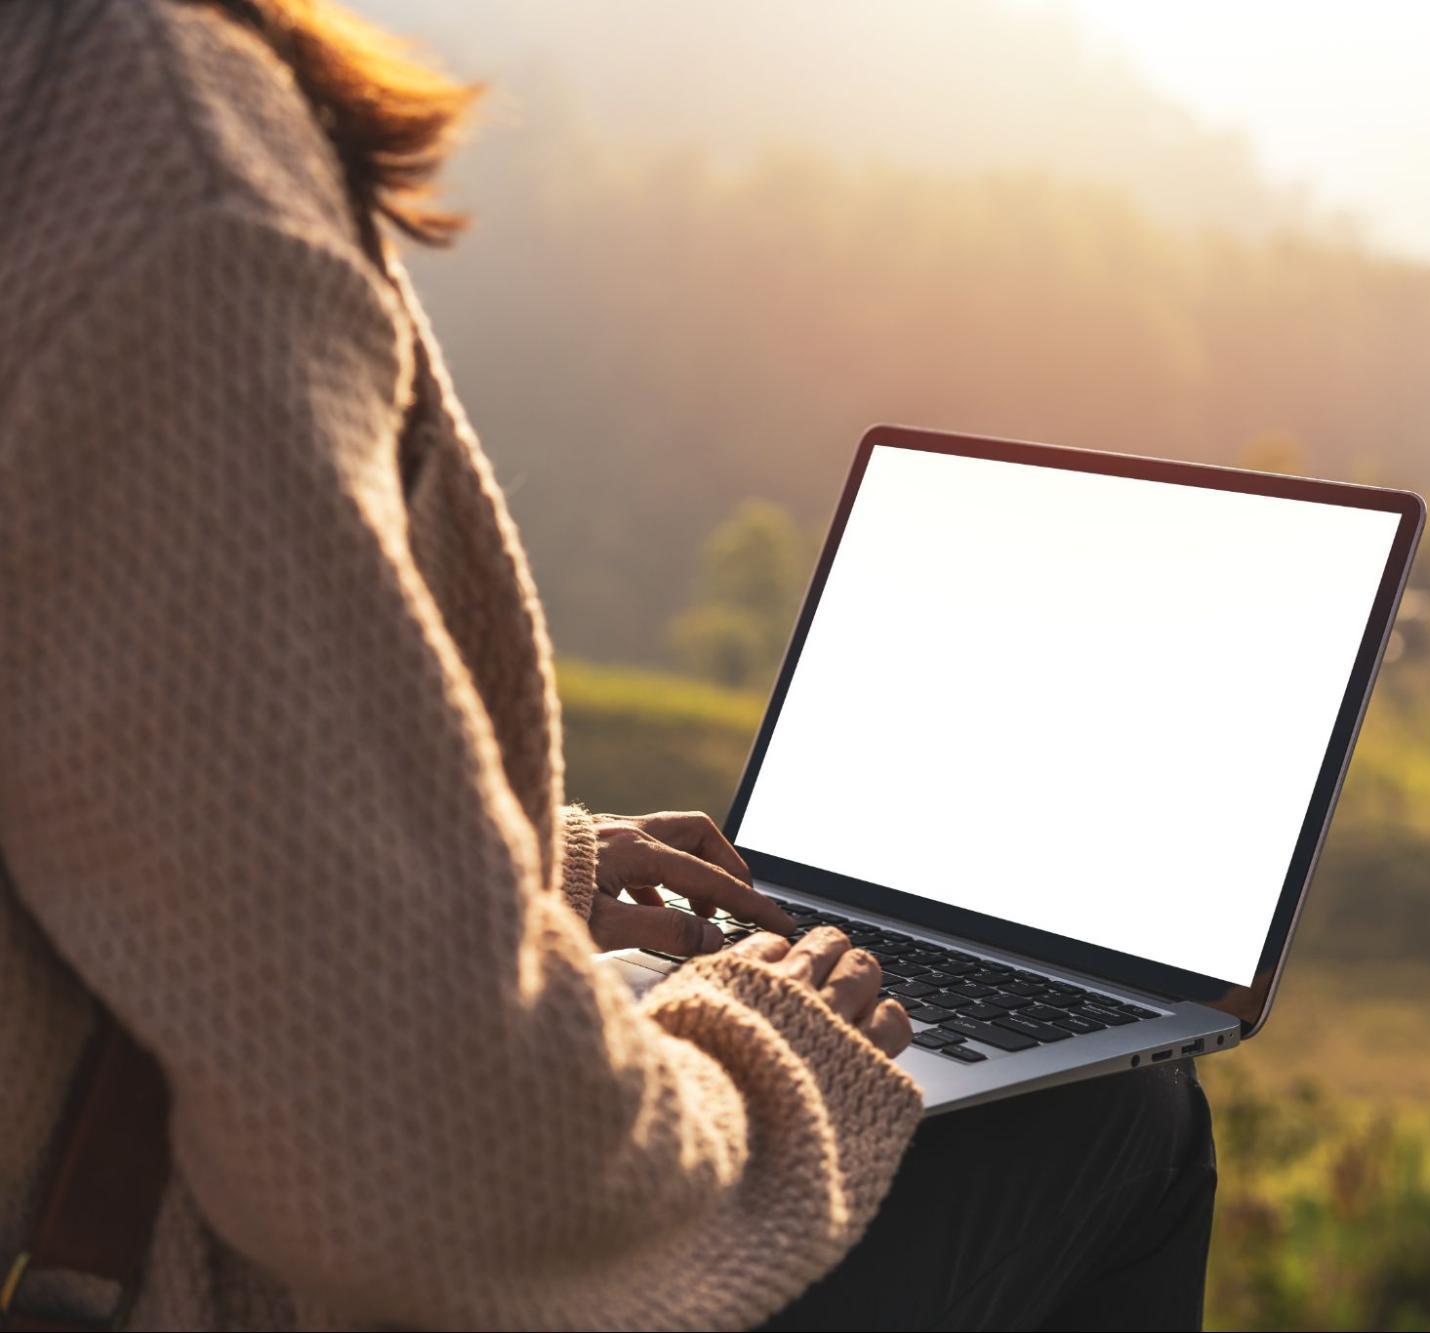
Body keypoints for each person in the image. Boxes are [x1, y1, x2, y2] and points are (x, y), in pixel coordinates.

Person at [0, 2, 1216, 1328]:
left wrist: (498, 870)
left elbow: (140, 746)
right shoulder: (151, 153)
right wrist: (780, 1054)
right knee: (1129, 1115)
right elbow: (421, 1175)